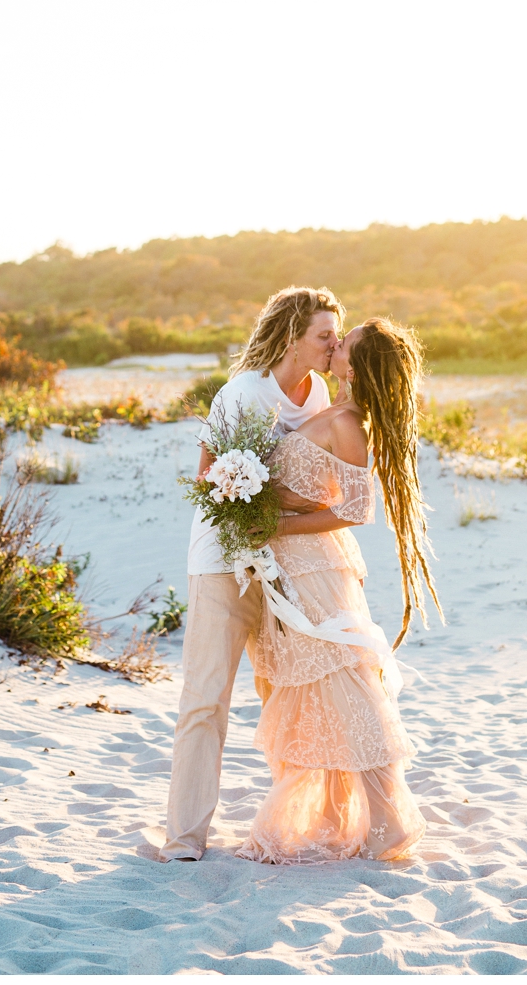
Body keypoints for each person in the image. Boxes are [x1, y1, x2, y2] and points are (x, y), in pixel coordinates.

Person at [236, 316, 440, 863]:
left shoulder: (349, 421)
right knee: (313, 690)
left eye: (342, 343)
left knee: (344, 686)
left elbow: (355, 509)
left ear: (359, 363)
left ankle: (389, 820)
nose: (333, 345)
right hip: (290, 566)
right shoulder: (326, 406)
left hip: (315, 569)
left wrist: (278, 524)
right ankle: (332, 817)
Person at [159, 285, 343, 862]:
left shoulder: (320, 394)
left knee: (291, 693)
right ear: (292, 336)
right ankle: (185, 837)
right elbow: (209, 477)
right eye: (324, 335)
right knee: (206, 696)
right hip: (221, 562)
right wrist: (262, 510)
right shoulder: (243, 393)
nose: (334, 345)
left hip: (286, 566)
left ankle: (296, 822)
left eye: (337, 335)